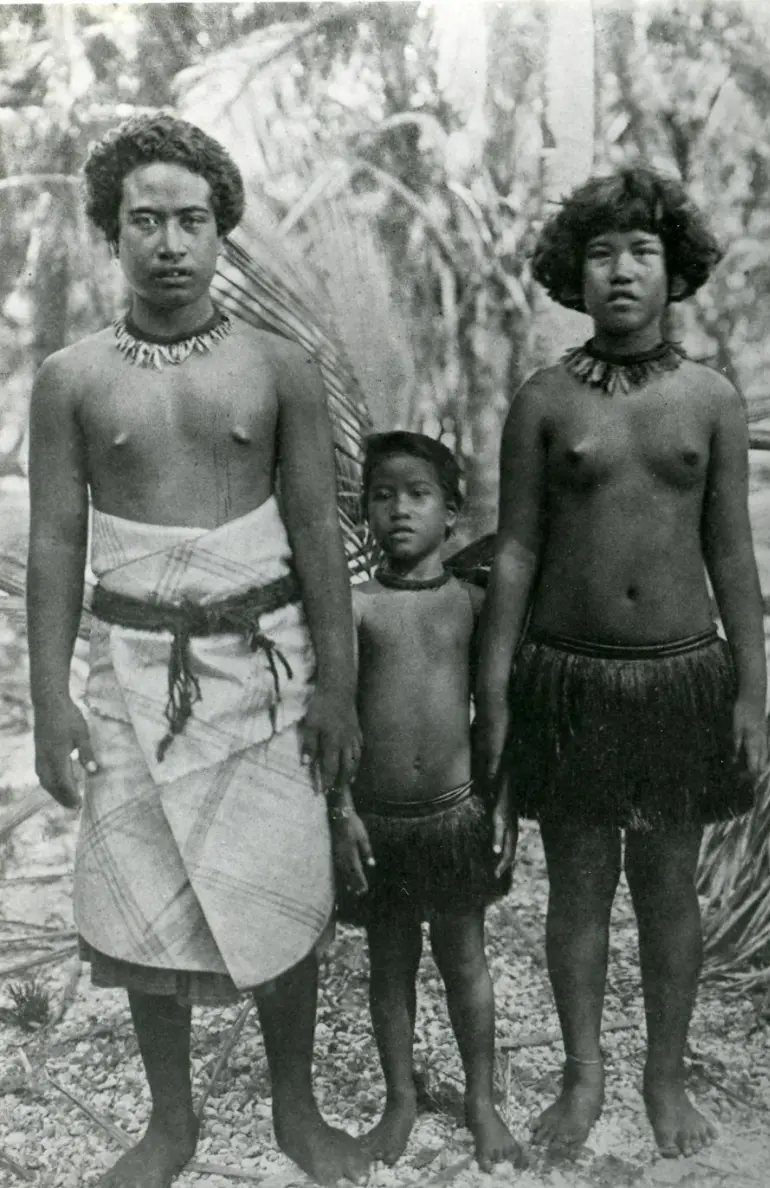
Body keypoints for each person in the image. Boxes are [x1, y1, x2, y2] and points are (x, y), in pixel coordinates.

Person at [26, 113, 369, 1188]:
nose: (168, 244)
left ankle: (294, 1114)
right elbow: (53, 545)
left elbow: (317, 535)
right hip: (127, 676)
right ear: (109, 235)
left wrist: (340, 689)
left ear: (223, 232)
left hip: (263, 669)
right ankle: (170, 1125)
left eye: (190, 221)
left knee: (276, 878)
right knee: (140, 890)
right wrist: (50, 701)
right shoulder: (71, 379)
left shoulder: (279, 370)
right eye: (144, 222)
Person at [476, 165, 767, 1159]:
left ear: (672, 268)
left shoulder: (710, 401)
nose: (620, 270)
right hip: (568, 675)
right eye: (598, 253)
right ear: (573, 273)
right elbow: (512, 548)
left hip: (681, 674)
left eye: (640, 250)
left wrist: (749, 692)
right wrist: (495, 688)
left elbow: (731, 551)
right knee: (576, 885)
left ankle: (663, 1072)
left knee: (667, 886)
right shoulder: (545, 402)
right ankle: (580, 1071)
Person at [328, 432, 524, 1173]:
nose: (399, 510)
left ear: (452, 511)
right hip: (378, 819)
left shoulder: (473, 606)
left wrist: (504, 801)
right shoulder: (356, 609)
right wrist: (340, 811)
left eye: (418, 495)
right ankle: (400, 1098)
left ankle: (481, 1098)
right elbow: (337, 721)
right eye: (383, 495)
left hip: (453, 813)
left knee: (465, 957)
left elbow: (500, 713)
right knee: (389, 962)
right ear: (363, 510)